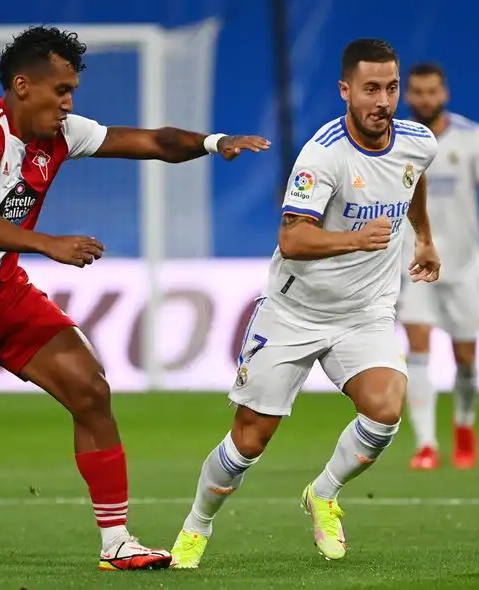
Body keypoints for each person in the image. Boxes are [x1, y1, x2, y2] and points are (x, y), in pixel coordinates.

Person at [0, 26, 269, 572]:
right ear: (23, 86)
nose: (68, 103)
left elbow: (153, 143)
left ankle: (117, 542)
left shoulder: (62, 134)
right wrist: (47, 243)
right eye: (60, 90)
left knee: (90, 389)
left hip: (3, 292)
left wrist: (212, 143)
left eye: (72, 92)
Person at [168, 38, 440, 569]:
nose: (382, 101)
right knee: (249, 441)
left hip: (365, 313)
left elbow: (414, 178)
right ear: (345, 91)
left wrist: (423, 236)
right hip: (294, 313)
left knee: (385, 409)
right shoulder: (323, 155)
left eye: (391, 88)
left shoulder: (416, 141)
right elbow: (293, 239)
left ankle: (324, 492)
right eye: (370, 89)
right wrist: (356, 239)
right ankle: (195, 527)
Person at [397, 62, 479, 471]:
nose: (425, 99)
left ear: (444, 93)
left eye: (432, 92)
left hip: (461, 267)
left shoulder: (470, 136)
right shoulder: (394, 140)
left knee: (465, 357)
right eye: (417, 92)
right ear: (407, 95)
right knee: (417, 347)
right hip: (412, 263)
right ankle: (426, 443)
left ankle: (464, 424)